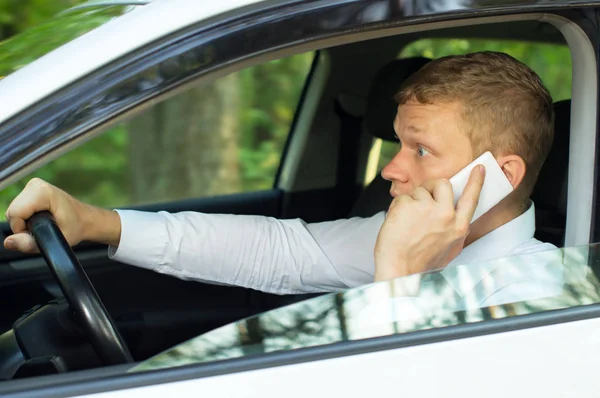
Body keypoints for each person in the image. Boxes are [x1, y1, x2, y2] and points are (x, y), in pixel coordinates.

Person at [3, 51, 561, 305]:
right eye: (397, 143)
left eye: (421, 149)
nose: (392, 167)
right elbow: (280, 250)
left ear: (500, 176)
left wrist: (397, 277)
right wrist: (98, 222)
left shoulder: (539, 301)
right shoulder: (404, 233)